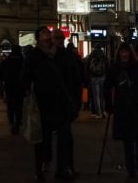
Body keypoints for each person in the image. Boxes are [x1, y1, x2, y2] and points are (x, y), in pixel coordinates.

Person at [22, 26, 73, 182]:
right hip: (42, 102)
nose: (48, 36)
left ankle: (62, 168)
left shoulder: (58, 54)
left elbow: (68, 74)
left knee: (63, 137)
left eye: (48, 33)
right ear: (38, 38)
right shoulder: (34, 55)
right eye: (44, 33)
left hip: (59, 101)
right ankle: (40, 169)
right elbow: (25, 76)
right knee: (41, 139)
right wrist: (28, 92)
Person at [104, 43, 138, 179]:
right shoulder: (115, 69)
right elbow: (107, 86)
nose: (124, 54)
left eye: (126, 52)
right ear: (119, 54)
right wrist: (109, 105)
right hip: (123, 107)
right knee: (128, 139)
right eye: (122, 52)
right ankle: (131, 167)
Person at [52, 27, 82, 177]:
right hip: (56, 102)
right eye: (55, 38)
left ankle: (65, 167)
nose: (58, 41)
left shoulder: (67, 56)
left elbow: (77, 80)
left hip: (65, 102)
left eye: (59, 38)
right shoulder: (51, 57)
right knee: (63, 137)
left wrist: (77, 101)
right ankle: (63, 167)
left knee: (65, 137)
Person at [0, 49, 25, 135]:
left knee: (10, 106)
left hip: (9, 86)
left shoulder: (6, 61)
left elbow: (0, 74)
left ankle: (11, 122)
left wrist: (5, 79)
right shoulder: (22, 61)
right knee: (19, 106)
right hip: (20, 87)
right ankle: (17, 122)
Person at [85, 46, 109, 118]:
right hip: (103, 77)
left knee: (96, 96)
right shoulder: (104, 56)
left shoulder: (91, 56)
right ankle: (103, 111)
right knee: (102, 96)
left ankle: (99, 113)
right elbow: (107, 67)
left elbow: (87, 67)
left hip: (94, 78)